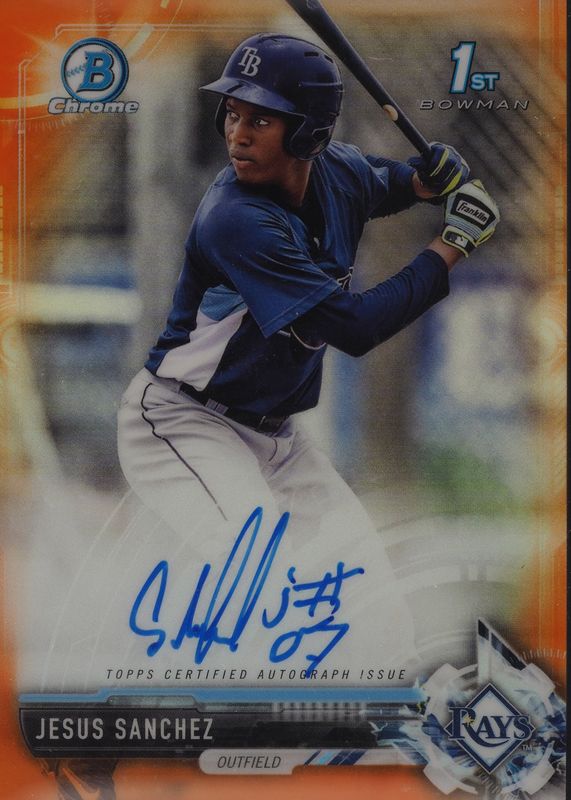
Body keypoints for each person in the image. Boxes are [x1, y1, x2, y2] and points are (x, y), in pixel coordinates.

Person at [117, 33, 499, 675]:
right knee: (257, 565)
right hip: (185, 421)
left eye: (260, 120)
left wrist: (427, 179)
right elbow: (355, 328)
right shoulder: (237, 218)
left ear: (309, 136)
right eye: (232, 114)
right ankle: (204, 690)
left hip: (276, 438)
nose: (237, 134)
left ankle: (399, 715)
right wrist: (451, 245)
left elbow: (389, 182)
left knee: (369, 592)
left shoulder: (338, 171)